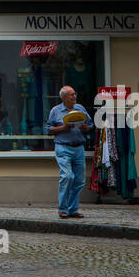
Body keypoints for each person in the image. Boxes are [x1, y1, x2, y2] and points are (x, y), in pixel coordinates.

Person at [46, 85, 93, 219]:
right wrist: (63, 127)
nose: (75, 97)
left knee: (79, 180)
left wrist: (86, 127)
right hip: (63, 147)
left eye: (74, 94)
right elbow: (49, 129)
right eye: (72, 95)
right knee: (67, 176)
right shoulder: (56, 111)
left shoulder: (80, 109)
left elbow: (91, 125)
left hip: (79, 148)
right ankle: (63, 209)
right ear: (64, 97)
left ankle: (73, 209)